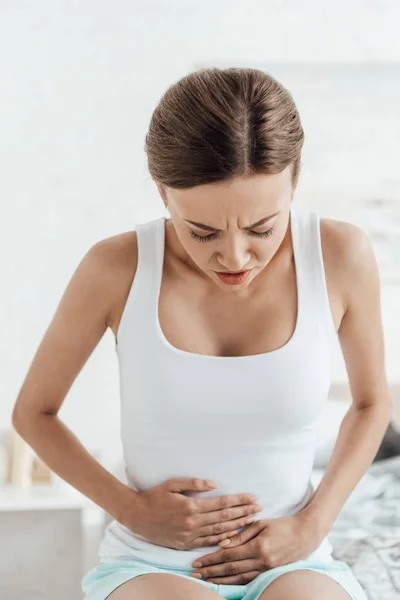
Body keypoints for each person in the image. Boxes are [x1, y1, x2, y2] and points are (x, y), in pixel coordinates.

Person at [12, 67, 392, 600]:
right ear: (162, 194)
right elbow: (34, 413)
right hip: (152, 563)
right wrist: (134, 510)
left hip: (294, 558)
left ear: (295, 181)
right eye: (203, 232)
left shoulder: (340, 256)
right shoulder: (115, 268)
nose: (235, 257)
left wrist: (312, 526)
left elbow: (372, 402)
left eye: (262, 228)